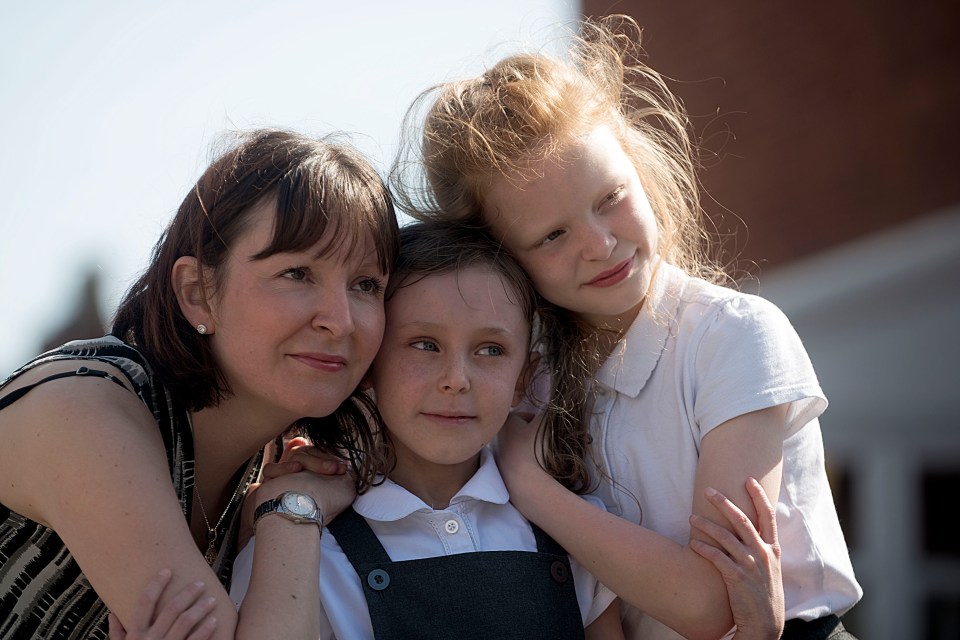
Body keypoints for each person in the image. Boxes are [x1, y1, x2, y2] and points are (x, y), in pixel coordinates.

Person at [392, 14, 862, 640]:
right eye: (553, 234)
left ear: (639, 167)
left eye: (610, 197)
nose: (600, 243)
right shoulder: (529, 377)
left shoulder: (732, 336)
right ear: (504, 258)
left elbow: (714, 602)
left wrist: (530, 485)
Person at [0, 128, 400, 639]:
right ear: (197, 292)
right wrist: (292, 515)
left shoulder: (270, 464)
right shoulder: (84, 405)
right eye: (297, 273)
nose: (341, 320)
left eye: (366, 285)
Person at [230, 221, 621, 639]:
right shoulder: (302, 549)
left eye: (491, 350)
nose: (456, 379)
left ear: (523, 379)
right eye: (425, 344)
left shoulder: (580, 532)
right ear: (369, 364)